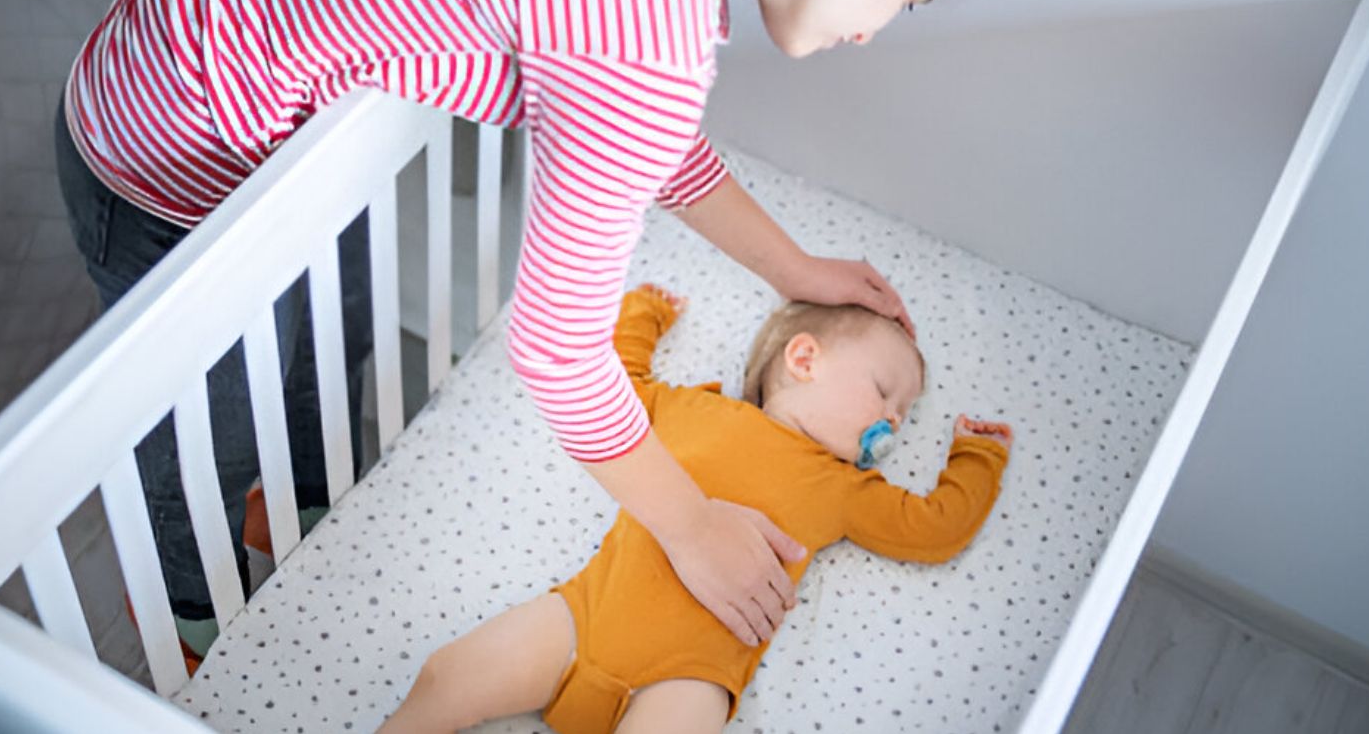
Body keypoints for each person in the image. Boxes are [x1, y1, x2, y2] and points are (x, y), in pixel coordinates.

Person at [53, 0, 1043, 650]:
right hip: (165, 154)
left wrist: (791, 265)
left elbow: (633, 128)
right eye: (907, 0)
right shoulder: (648, 34)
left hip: (190, 16)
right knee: (207, 434)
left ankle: (303, 515)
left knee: (330, 345)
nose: (869, 31)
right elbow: (560, 352)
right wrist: (692, 525)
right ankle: (196, 618)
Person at [380, 284, 1015, 732]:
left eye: (903, 416)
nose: (893, 422)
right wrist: (643, 313)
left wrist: (974, 459)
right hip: (582, 619)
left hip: (686, 678)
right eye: (884, 393)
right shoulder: (697, 410)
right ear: (803, 358)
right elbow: (617, 386)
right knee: (448, 676)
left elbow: (934, 528)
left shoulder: (844, 488)